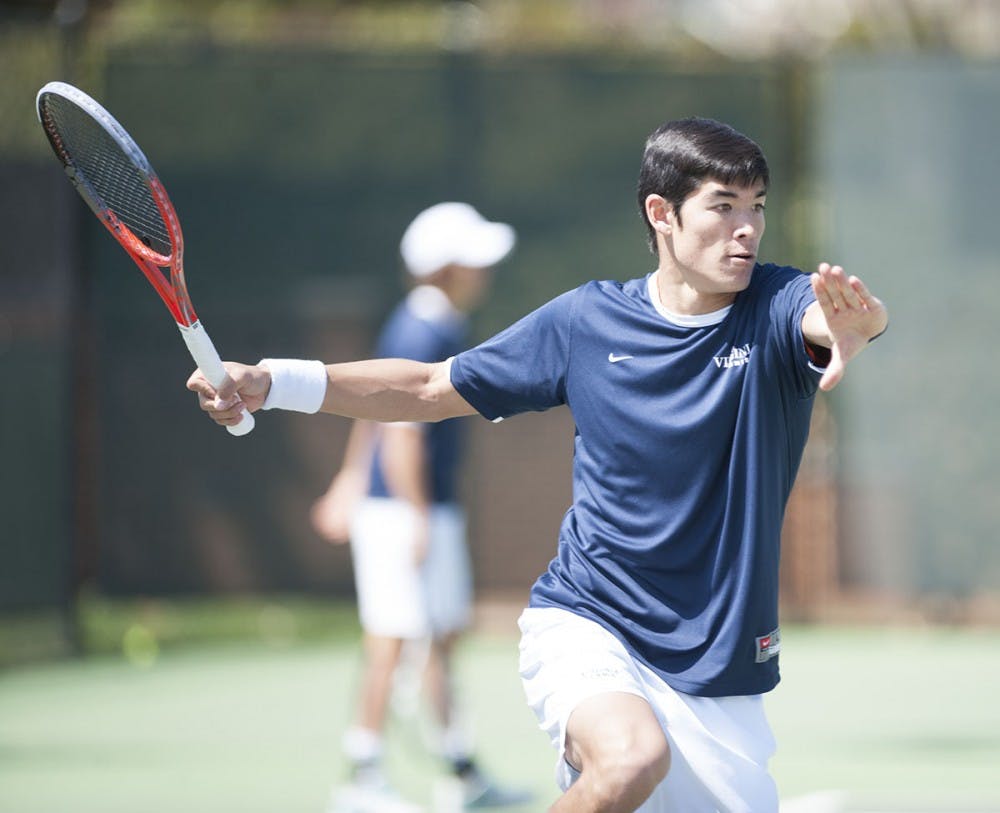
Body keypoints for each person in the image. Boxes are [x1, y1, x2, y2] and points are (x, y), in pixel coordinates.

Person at [189, 118, 889, 813]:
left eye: (758, 206)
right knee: (630, 759)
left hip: (720, 658)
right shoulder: (586, 322)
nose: (747, 229)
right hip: (591, 620)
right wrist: (275, 380)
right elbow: (429, 388)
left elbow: (829, 320)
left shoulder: (775, 303)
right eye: (724, 205)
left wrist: (853, 326)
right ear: (661, 214)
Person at [307, 202, 530, 812]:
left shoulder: (433, 324)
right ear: (447, 268)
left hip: (417, 509)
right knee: (393, 638)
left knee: (437, 637)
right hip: (407, 513)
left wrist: (349, 480)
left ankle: (459, 772)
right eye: (473, 259)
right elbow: (400, 429)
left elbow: (373, 409)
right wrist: (414, 513)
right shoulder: (421, 329)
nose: (485, 270)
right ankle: (361, 778)